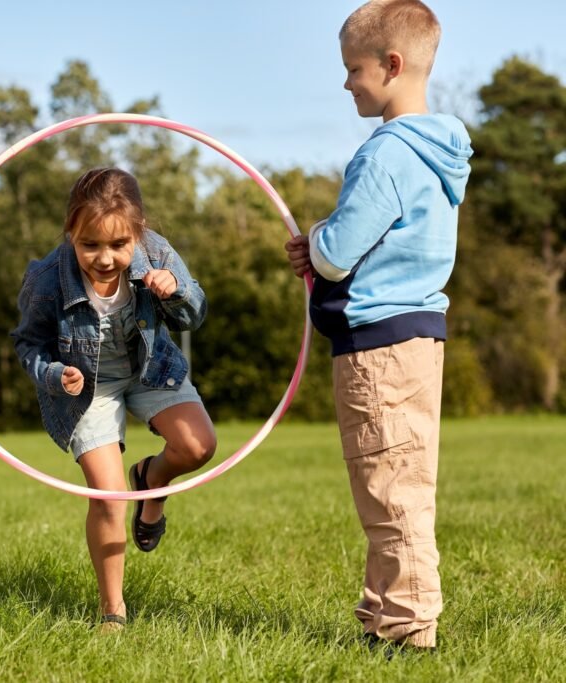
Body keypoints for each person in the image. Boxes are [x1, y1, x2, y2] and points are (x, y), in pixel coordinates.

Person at [285, 0, 472, 652]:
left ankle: (408, 630)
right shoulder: (440, 149)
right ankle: (382, 616)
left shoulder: (386, 155)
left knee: (390, 492)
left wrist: (315, 241)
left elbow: (338, 252)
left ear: (391, 65)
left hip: (378, 345)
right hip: (417, 338)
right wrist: (322, 248)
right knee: (396, 482)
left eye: (353, 69)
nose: (346, 83)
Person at [12, 168, 217, 631]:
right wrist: (51, 373)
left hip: (151, 369)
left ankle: (150, 478)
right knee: (107, 497)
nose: (105, 259)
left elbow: (195, 313)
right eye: (90, 245)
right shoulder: (47, 277)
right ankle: (112, 611)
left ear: (138, 231)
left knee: (198, 446)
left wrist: (176, 291)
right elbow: (27, 343)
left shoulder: (156, 251)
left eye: (119, 245)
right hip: (87, 390)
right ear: (71, 232)